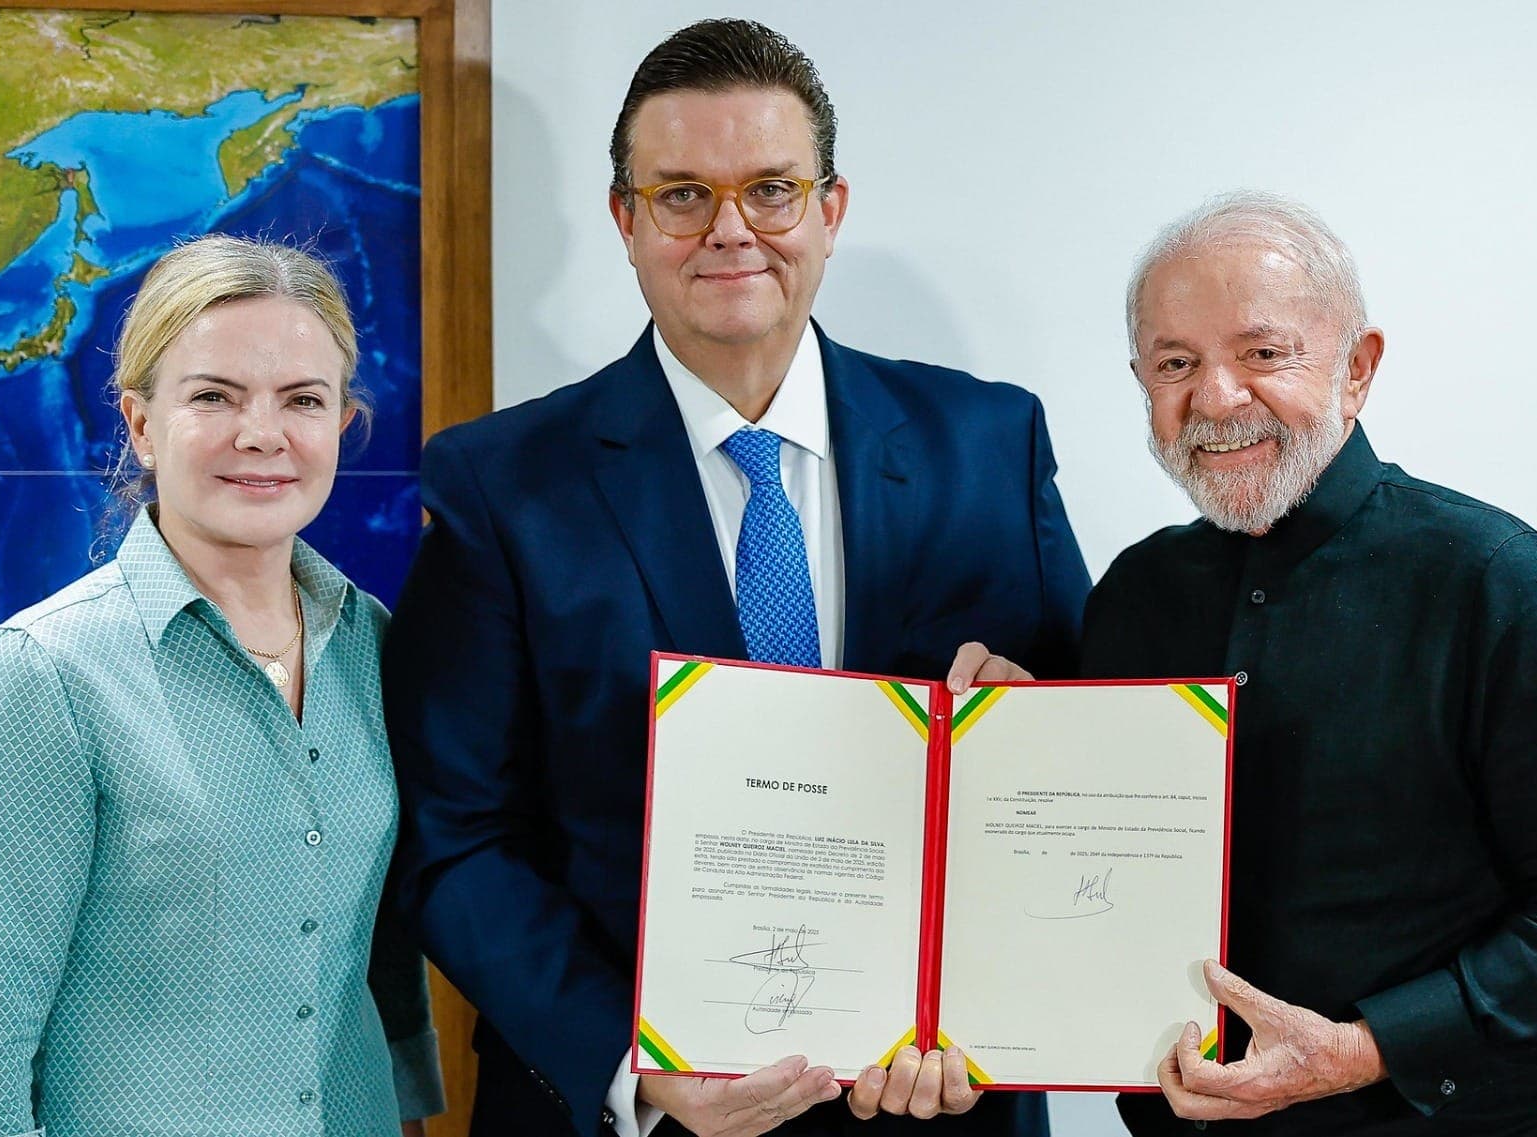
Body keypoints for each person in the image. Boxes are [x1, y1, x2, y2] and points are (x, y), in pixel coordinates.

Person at [383, 18, 1087, 1137]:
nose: (730, 230)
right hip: (637, 1112)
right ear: (624, 219)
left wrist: (1034, 735)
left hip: (940, 1100)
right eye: (681, 195)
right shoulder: (502, 485)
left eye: (771, 190)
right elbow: (454, 837)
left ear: (830, 210)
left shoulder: (988, 445)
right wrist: (638, 1069)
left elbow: (1089, 772)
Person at [948, 192, 1537, 1135]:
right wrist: (1012, 753)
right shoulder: (1133, 594)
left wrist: (1363, 1049)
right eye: (1176, 363)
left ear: (1357, 368)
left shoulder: (1493, 578)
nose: (1216, 397)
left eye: (1262, 352)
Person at [0, 235, 444, 1137]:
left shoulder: (375, 645)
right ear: (140, 424)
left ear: (342, 423)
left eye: (303, 400)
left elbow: (379, 966)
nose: (263, 434)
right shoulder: (38, 678)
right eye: (214, 396)